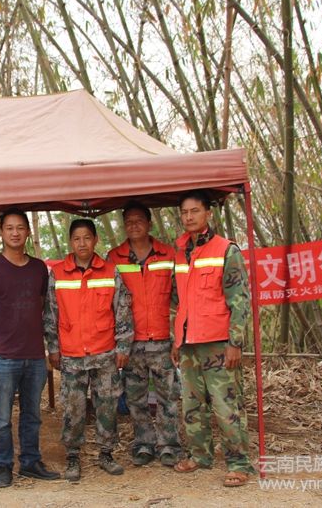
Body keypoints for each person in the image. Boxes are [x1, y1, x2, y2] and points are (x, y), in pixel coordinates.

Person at [170, 189, 255, 487]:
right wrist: (176, 340)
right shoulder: (180, 252)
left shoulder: (226, 250)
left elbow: (239, 300)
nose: (189, 217)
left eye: (195, 211)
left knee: (226, 404)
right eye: (184, 212)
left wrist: (235, 343)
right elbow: (178, 300)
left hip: (219, 343)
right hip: (188, 342)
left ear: (208, 213)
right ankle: (200, 455)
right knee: (192, 405)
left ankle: (239, 463)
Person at [0, 208, 61, 488]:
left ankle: (31, 462)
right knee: (1, 417)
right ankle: (3, 466)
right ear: (1, 232)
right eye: (9, 228)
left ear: (28, 232)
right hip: (4, 356)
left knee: (32, 415)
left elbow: (42, 304)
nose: (15, 233)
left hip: (34, 354)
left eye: (20, 228)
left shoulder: (39, 268)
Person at [44, 218, 133, 483]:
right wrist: (53, 348)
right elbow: (50, 313)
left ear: (95, 240)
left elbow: (122, 311)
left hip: (104, 352)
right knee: (74, 408)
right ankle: (72, 455)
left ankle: (106, 453)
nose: (82, 243)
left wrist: (123, 345)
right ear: (71, 242)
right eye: (76, 239)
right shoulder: (58, 273)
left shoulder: (110, 271)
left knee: (107, 405)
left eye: (86, 238)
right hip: (71, 354)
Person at [106, 200, 183, 467]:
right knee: (136, 398)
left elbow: (180, 300)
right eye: (129, 222)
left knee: (168, 397)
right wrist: (118, 343)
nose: (134, 225)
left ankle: (169, 445)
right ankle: (144, 444)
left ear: (149, 224)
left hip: (162, 341)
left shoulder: (167, 254)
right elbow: (109, 303)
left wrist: (178, 337)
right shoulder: (114, 258)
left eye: (139, 220)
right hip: (132, 343)